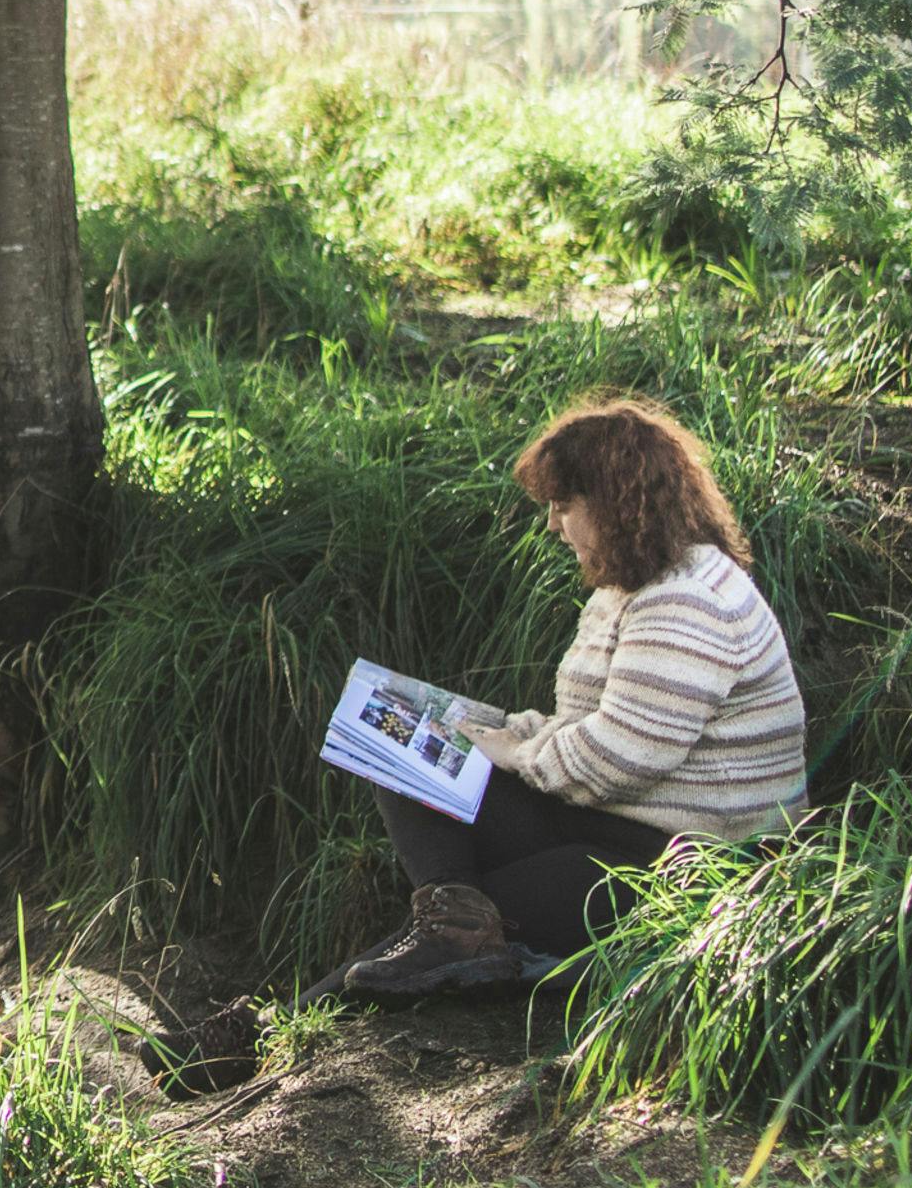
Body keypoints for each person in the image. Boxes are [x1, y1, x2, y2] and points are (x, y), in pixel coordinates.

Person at [333, 395, 810, 997]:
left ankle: (262, 1032)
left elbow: (615, 764)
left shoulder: (685, 602)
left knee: (463, 915)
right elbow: (590, 723)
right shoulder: (628, 585)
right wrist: (497, 730)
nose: (553, 525)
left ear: (615, 505)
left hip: (680, 864)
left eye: (563, 506)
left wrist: (514, 753)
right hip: (614, 824)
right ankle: (454, 924)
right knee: (399, 741)